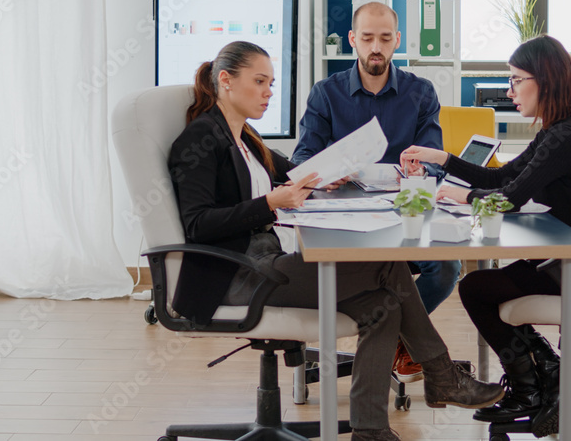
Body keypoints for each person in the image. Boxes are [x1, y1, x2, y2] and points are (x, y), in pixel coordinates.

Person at [168, 41, 503, 441]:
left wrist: (328, 174)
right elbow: (198, 224)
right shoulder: (201, 139)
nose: (268, 92)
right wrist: (269, 203)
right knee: (387, 265)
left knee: (383, 304)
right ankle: (441, 373)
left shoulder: (244, 136)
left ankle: (371, 429)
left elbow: (295, 170)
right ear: (225, 81)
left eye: (271, 83)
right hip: (237, 275)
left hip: (266, 260)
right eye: (259, 82)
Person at [399, 35, 571, 437]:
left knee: (478, 289)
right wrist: (442, 158)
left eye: (517, 80)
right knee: (481, 286)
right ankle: (546, 376)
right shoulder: (558, 132)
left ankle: (533, 384)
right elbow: (501, 177)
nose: (509, 90)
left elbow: (510, 198)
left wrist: (461, 195)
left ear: (545, 81)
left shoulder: (564, 137)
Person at [292, 1, 460, 381]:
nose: (376, 48)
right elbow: (302, 158)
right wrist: (322, 174)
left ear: (397, 40)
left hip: (402, 218)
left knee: (449, 267)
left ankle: (399, 341)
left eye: (385, 38)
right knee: (381, 273)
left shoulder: (420, 93)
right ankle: (406, 344)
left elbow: (433, 158)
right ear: (353, 39)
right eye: (367, 38)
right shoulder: (326, 93)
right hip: (344, 223)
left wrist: (421, 170)